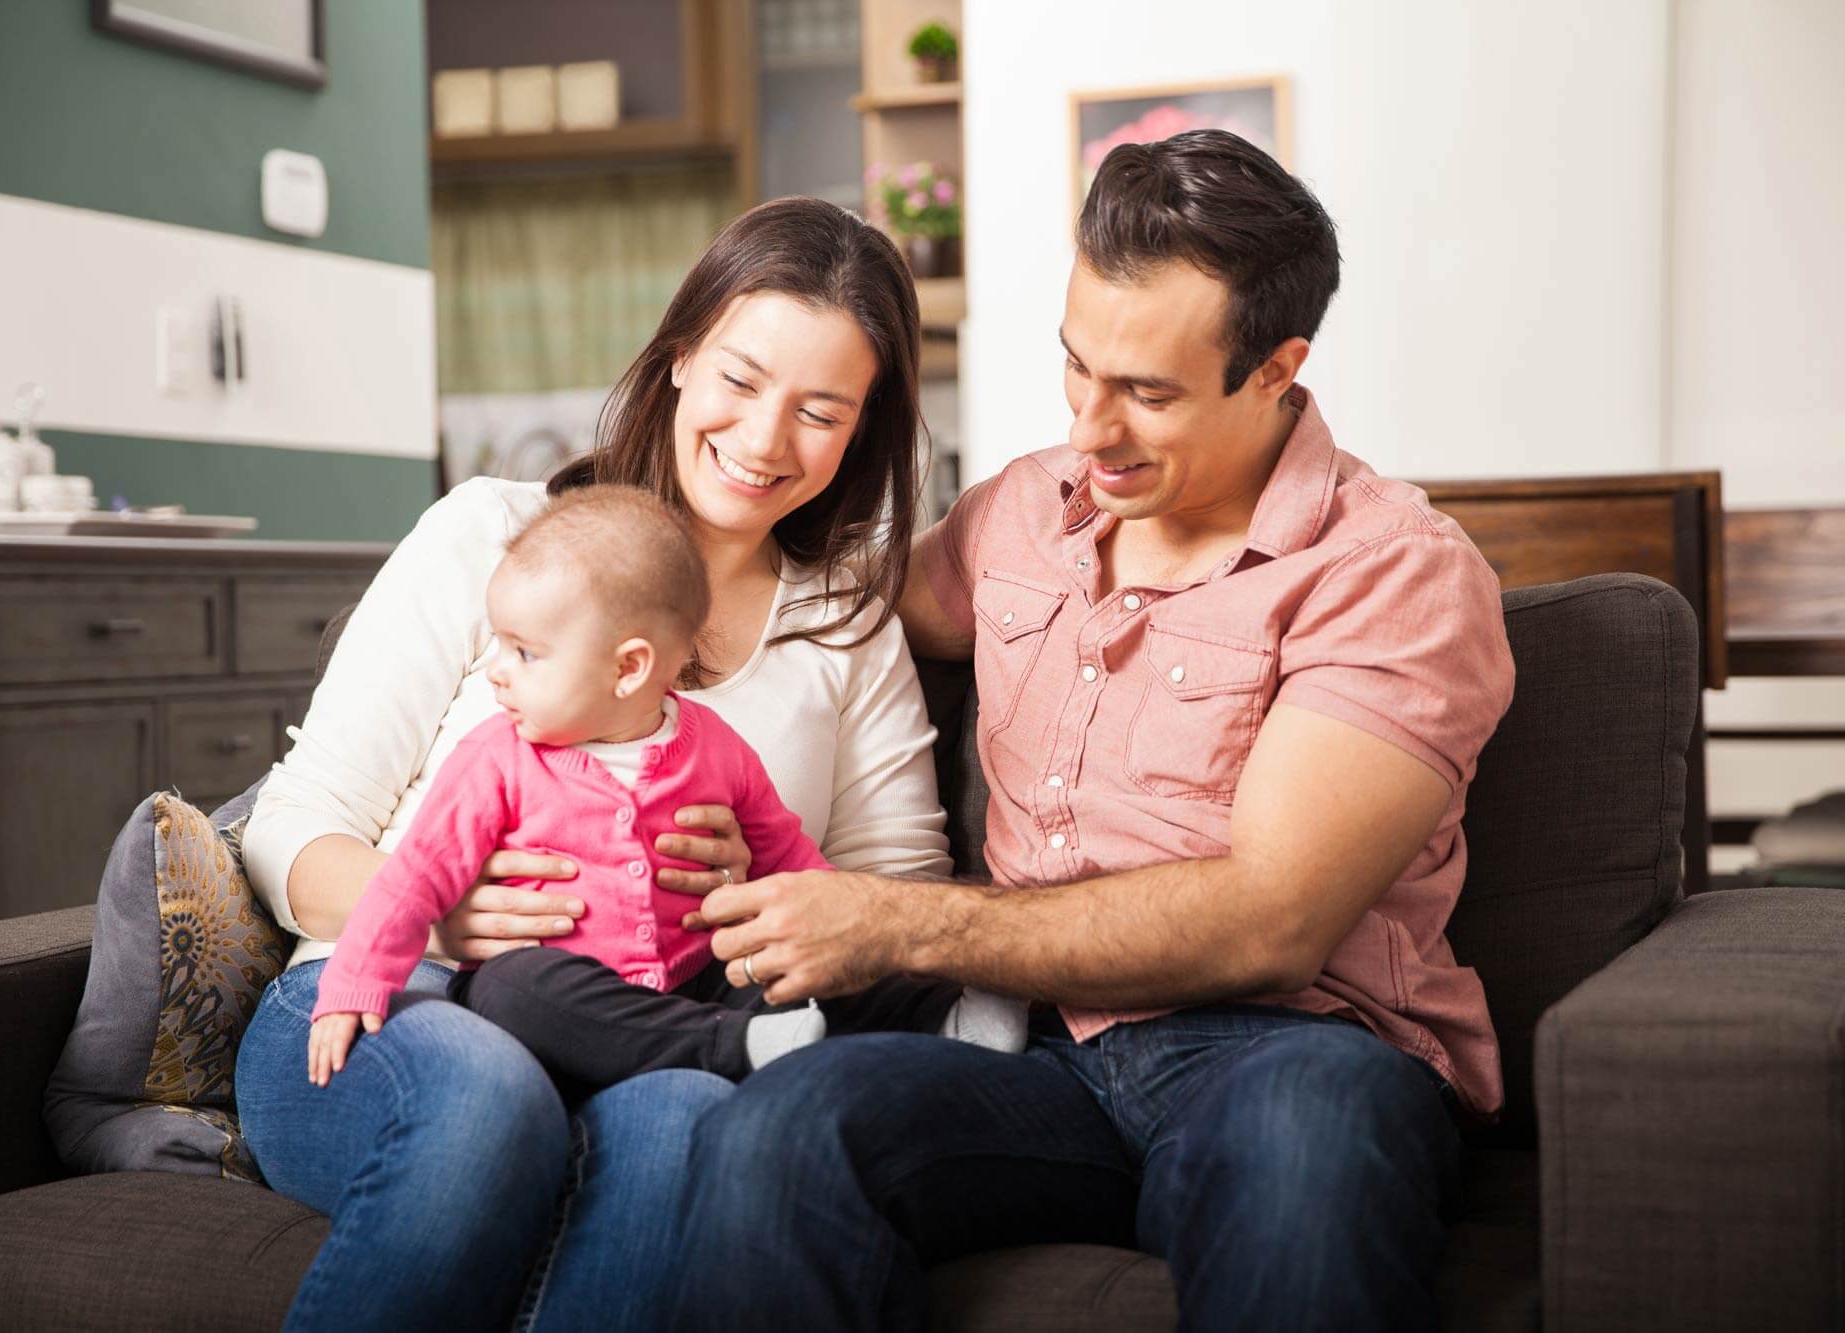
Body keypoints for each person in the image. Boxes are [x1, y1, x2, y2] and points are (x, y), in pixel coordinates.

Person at [670, 129, 1518, 1331]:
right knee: (784, 1129)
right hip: (1032, 1060)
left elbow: (1270, 925)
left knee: (1302, 1131)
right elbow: (814, 602)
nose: (1089, 430)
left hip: (1283, 1053)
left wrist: (894, 922)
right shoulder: (1020, 513)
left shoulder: (1389, 572)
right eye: (1077, 369)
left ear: (1277, 369)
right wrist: (605, 597)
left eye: (1148, 394)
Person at [233, 196, 957, 1333]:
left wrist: (770, 901)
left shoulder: (843, 624)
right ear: (677, 356)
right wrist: (441, 913)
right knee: (487, 1098)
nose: (765, 439)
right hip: (389, 1004)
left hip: (659, 1029)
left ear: (863, 429)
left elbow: (898, 899)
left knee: (682, 1122)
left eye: (820, 411)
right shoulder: (495, 537)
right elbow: (292, 824)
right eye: (740, 378)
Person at [306, 486, 1022, 1094]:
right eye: (498, 643)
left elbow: (789, 856)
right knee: (511, 991)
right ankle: (733, 1049)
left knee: (785, 964)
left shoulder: (712, 746)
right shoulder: (494, 757)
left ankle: (956, 1011)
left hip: (698, 971)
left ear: (628, 668)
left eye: (524, 652)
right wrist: (353, 982)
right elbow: (413, 879)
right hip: (564, 987)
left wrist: (833, 934)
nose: (497, 671)